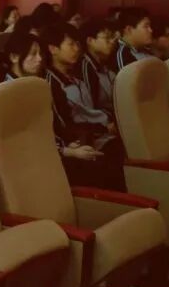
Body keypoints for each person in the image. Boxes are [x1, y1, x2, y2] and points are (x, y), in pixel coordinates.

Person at [40, 24, 125, 191]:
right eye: (71, 44)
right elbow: (63, 126)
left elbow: (90, 110)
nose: (77, 49)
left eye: (77, 44)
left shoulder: (75, 77)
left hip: (94, 135)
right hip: (77, 142)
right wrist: (101, 128)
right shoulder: (51, 83)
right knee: (110, 164)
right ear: (53, 49)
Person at [79, 19, 117, 114]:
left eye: (112, 37)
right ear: (90, 41)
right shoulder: (86, 67)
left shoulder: (106, 62)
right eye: (107, 38)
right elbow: (90, 109)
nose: (112, 41)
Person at [111, 7, 155, 73]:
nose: (151, 30)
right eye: (146, 26)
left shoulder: (146, 50)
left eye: (150, 26)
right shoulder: (122, 54)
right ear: (129, 29)